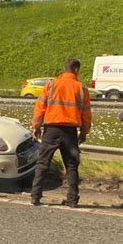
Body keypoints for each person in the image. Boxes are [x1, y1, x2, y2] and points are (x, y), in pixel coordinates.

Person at [31, 59, 92, 208]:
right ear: (76, 70)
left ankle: (35, 197)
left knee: (43, 163)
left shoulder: (51, 85)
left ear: (64, 70)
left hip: (51, 130)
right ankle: (72, 200)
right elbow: (86, 113)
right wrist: (84, 132)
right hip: (70, 132)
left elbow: (40, 107)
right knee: (71, 165)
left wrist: (36, 127)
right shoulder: (81, 88)